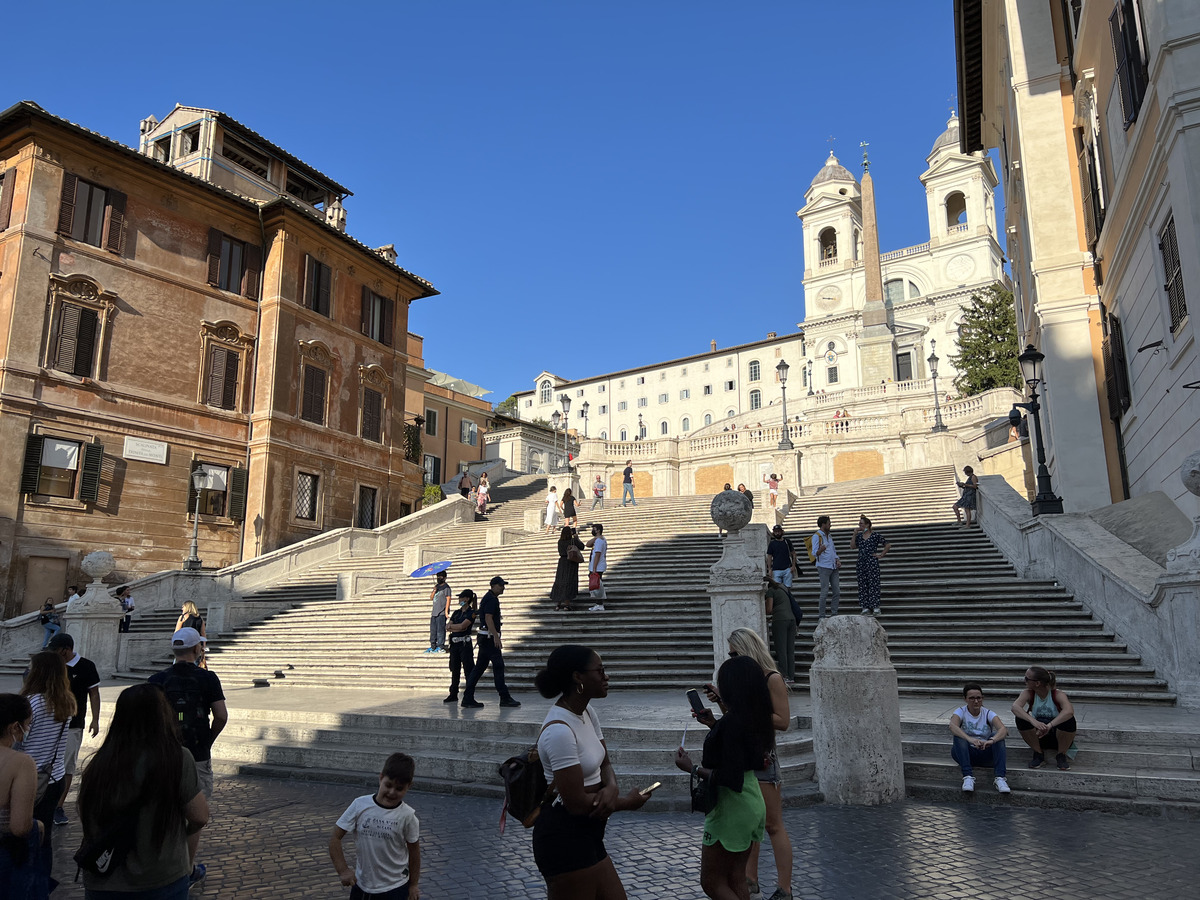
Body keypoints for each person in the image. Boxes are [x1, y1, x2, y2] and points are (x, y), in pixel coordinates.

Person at [532, 645, 649, 899]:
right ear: (578, 678)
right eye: (600, 671)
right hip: (564, 837)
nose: (606, 677)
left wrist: (612, 788)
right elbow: (575, 803)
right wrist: (627, 802)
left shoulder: (587, 711)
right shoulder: (559, 731)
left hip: (590, 831)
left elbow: (605, 762)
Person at [76, 683, 209, 899]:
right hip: (159, 875)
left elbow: (86, 813)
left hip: (105, 879)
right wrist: (177, 834)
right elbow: (200, 816)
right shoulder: (176, 757)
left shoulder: (99, 762)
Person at [675, 655, 771, 900]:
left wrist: (692, 768)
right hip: (751, 799)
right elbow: (739, 755)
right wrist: (714, 725)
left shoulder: (733, 723)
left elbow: (729, 776)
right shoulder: (752, 718)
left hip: (732, 806)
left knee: (712, 882)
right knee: (736, 877)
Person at [148, 627, 228, 886]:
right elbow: (221, 715)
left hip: (163, 752)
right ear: (197, 649)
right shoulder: (208, 678)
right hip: (197, 752)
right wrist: (208, 740)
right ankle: (186, 868)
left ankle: (162, 863)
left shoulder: (157, 680)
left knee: (165, 808)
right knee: (195, 813)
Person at [719, 629, 794, 900]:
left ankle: (785, 888)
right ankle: (750, 879)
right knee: (751, 824)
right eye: (730, 655)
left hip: (763, 757)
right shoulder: (743, 681)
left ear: (748, 651)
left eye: (735, 654)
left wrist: (747, 712)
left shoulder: (772, 679)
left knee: (773, 825)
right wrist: (723, 705)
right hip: (743, 756)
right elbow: (740, 719)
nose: (731, 659)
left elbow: (783, 721)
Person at [330, 752, 421, 900]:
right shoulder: (360, 805)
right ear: (380, 778)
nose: (392, 792)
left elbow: (414, 852)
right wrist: (343, 870)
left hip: (395, 889)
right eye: (388, 785)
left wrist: (413, 885)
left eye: (399, 789)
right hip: (361, 886)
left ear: (408, 787)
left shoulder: (407, 816)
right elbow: (335, 837)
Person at [19, 651, 75, 885]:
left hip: (28, 777)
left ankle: (25, 879)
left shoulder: (31, 703)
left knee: (22, 830)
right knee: (45, 834)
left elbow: (20, 740)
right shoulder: (66, 701)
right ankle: (42, 881)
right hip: (53, 777)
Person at [46, 633, 100, 827]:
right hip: (49, 722)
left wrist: (95, 719)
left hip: (73, 724)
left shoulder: (86, 666)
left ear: (65, 650)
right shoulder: (51, 665)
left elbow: (94, 693)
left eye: (55, 650)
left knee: (67, 765)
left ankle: (58, 806)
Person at [0, 693, 47, 897]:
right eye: (27, 725)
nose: (27, 731)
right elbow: (19, 827)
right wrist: (38, 826)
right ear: (14, 727)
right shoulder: (21, 763)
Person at [461, 577, 520, 709]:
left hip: (484, 638)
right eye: (500, 585)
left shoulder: (489, 597)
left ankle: (468, 697)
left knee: (479, 669)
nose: (503, 588)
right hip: (488, 639)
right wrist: (496, 637)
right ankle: (504, 697)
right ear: (493, 586)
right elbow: (488, 618)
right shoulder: (491, 599)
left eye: (503, 585)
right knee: (498, 666)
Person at [1011, 666, 1077, 770]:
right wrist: (1034, 722)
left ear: (1037, 683)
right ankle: (1038, 753)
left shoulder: (1057, 694)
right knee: (1020, 718)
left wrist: (1049, 726)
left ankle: (1061, 755)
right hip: (1039, 735)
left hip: (1057, 735)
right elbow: (1015, 707)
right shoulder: (1028, 693)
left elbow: (1069, 711)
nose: (1025, 681)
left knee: (1068, 719)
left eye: (1027, 679)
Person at [950, 683, 1010, 793]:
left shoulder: (988, 713)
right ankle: (967, 776)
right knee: (959, 736)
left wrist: (991, 741)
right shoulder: (960, 711)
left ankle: (1000, 778)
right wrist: (970, 739)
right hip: (966, 753)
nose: (976, 701)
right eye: (972, 698)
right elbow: (952, 726)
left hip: (985, 752)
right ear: (965, 699)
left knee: (997, 737)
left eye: (979, 698)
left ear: (983, 698)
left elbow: (1003, 729)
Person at [850, 515, 890, 616]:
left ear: (867, 524)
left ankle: (875, 606)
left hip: (872, 562)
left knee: (874, 584)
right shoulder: (859, 536)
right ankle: (865, 607)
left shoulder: (875, 535)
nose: (860, 526)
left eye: (861, 524)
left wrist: (881, 555)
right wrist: (854, 534)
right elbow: (852, 546)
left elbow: (887, 544)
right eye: (859, 524)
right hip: (861, 563)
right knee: (863, 585)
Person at [443, 590, 477, 704]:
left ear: (467, 599)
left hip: (464, 644)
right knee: (455, 670)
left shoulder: (471, 612)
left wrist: (453, 627)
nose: (459, 600)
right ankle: (453, 694)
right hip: (454, 644)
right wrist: (454, 627)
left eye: (461, 598)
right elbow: (447, 626)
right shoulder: (456, 613)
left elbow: (463, 626)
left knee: (468, 670)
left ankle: (469, 695)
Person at [762, 577, 797, 683]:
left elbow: (769, 609)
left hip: (780, 620)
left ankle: (784, 675)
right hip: (792, 619)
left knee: (781, 649)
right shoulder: (782, 588)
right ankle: (791, 676)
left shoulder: (770, 591)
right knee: (790, 650)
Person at [550, 527, 585, 611]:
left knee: (560, 581)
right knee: (569, 581)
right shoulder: (572, 541)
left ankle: (558, 604)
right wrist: (576, 537)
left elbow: (560, 551)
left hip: (562, 562)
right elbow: (582, 546)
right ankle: (566, 604)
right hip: (571, 562)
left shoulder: (560, 542)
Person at [812, 515, 841, 618]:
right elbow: (814, 553)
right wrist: (821, 550)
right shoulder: (817, 536)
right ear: (823, 524)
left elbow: (833, 550)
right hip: (823, 566)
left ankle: (834, 613)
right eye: (829, 523)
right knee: (824, 591)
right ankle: (822, 616)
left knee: (836, 591)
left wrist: (837, 559)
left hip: (833, 566)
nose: (830, 525)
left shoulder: (829, 536)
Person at [174, 601, 207, 667]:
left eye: (183, 607)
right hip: (196, 644)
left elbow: (177, 632)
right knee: (194, 664)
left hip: (184, 643)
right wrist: (203, 646)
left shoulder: (183, 617)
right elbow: (203, 633)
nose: (182, 609)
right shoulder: (200, 618)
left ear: (187, 607)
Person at [765, 526, 798, 591]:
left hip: (787, 569)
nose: (777, 533)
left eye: (778, 531)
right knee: (777, 589)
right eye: (775, 531)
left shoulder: (787, 542)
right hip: (776, 569)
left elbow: (793, 554)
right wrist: (769, 569)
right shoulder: (772, 544)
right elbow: (769, 557)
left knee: (787, 588)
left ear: (782, 532)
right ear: (773, 533)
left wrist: (793, 566)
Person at [426, 571, 451, 654]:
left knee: (440, 630)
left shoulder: (446, 587)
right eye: (438, 576)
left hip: (441, 612)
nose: (439, 578)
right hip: (434, 612)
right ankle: (433, 646)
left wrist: (446, 611)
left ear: (444, 577)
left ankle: (440, 646)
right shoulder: (436, 586)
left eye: (441, 577)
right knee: (433, 630)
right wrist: (434, 590)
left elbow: (448, 599)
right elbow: (431, 598)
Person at [586, 523, 608, 612]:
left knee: (597, 586)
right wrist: (595, 537)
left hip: (597, 567)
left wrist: (594, 568)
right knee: (596, 585)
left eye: (594, 529)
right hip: (598, 566)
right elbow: (587, 544)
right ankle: (598, 603)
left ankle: (599, 604)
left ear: (598, 530)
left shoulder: (599, 541)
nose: (593, 530)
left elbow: (597, 554)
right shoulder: (600, 539)